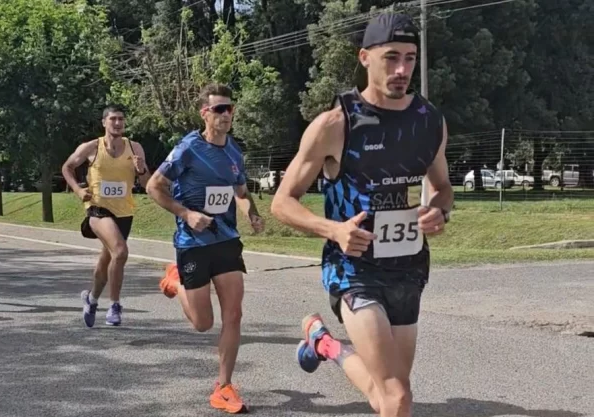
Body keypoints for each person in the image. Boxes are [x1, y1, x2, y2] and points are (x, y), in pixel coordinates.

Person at [269, 13, 453, 417]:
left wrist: (439, 212)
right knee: (397, 398)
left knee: (385, 392)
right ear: (365, 58)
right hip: (353, 269)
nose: (403, 69)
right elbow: (282, 202)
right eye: (391, 57)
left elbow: (442, 189)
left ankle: (325, 344)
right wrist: (333, 229)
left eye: (410, 57)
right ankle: (327, 340)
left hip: (408, 268)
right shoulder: (336, 124)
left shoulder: (429, 122)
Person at [147, 83, 264, 414]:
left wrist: (252, 214)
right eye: (219, 109)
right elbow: (154, 185)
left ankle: (223, 386)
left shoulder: (234, 153)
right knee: (202, 323)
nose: (227, 114)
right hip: (192, 242)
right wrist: (186, 213)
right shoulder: (188, 148)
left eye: (230, 108)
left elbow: (241, 191)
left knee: (234, 313)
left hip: (226, 240)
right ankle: (175, 281)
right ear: (205, 113)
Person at [61, 104, 151, 327]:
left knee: (108, 258)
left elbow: (147, 183)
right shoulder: (92, 147)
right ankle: (115, 305)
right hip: (97, 209)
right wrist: (79, 190)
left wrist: (141, 170)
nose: (118, 123)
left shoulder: (135, 148)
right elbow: (67, 167)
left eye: (121, 119)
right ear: (104, 123)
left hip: (125, 212)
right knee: (120, 252)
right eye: (113, 119)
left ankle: (91, 299)